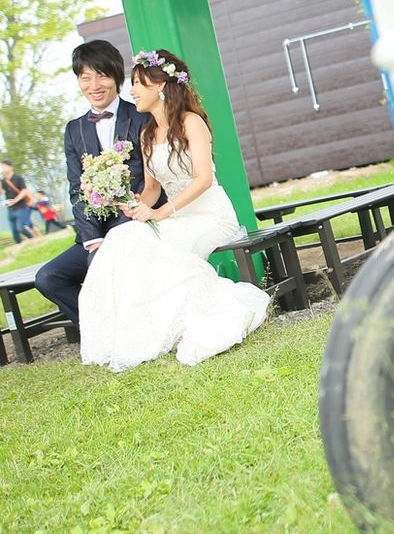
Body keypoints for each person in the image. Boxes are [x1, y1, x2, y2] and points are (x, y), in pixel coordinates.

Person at [79, 48, 269, 371]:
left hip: (210, 217)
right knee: (122, 238)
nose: (132, 91)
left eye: (137, 83)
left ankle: (186, 321)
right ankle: (134, 331)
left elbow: (203, 179)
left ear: (160, 86)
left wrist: (161, 213)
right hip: (174, 217)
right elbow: (152, 190)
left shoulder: (191, 122)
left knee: (156, 248)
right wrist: (128, 203)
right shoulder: (147, 133)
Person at [35, 40, 151, 330]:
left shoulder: (141, 117)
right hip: (96, 233)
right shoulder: (74, 129)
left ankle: (131, 329)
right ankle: (104, 330)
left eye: (101, 76)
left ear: (116, 76)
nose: (94, 85)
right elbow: (77, 189)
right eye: (85, 77)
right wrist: (92, 239)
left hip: (136, 224)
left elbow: (148, 181)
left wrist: (116, 233)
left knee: (101, 263)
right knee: (49, 278)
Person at [1, 158, 36, 243]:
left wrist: (15, 200)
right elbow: (1, 192)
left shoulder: (18, 177)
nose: (2, 168)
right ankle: (19, 245)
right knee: (14, 232)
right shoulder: (3, 180)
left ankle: (33, 240)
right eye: (1, 166)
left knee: (20, 228)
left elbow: (24, 191)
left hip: (21, 206)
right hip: (10, 208)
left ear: (10, 167)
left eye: (4, 166)